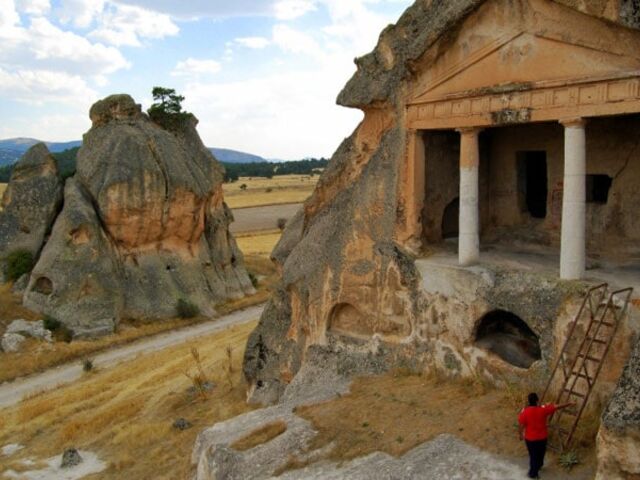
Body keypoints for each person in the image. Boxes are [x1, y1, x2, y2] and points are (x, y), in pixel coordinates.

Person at [518, 392, 575, 479]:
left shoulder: (525, 412)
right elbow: (557, 407)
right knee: (541, 454)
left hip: (530, 439)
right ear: (537, 400)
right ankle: (534, 472)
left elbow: (521, 425)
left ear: (529, 401)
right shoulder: (543, 410)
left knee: (533, 456)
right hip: (542, 438)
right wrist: (569, 403)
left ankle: (534, 472)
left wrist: (520, 435)